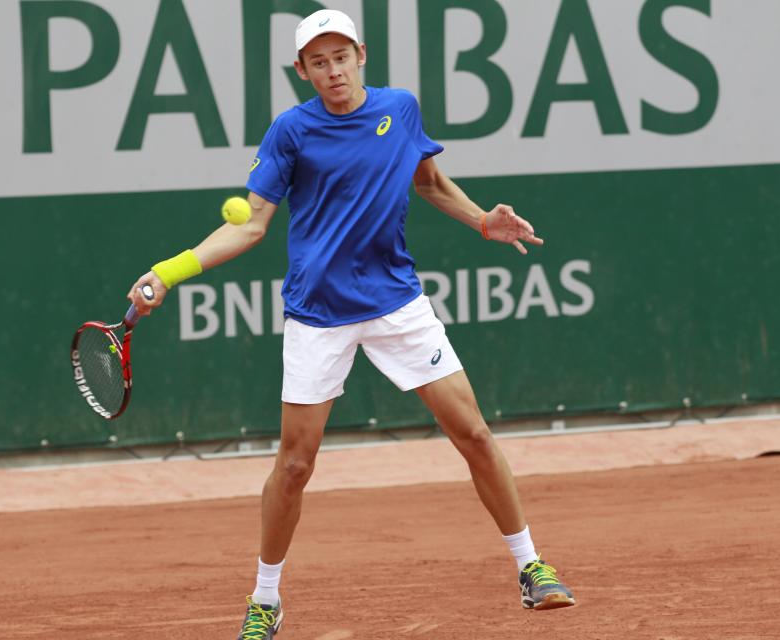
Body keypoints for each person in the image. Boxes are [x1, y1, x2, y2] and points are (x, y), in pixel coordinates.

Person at [128, 9, 575, 639]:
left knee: (473, 433)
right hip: (318, 313)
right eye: (319, 61)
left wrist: (480, 220)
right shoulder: (291, 132)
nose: (333, 70)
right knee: (294, 466)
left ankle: (531, 566)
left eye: (341, 57)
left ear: (360, 55)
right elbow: (251, 224)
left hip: (397, 303)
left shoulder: (401, 110)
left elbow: (429, 181)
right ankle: (265, 598)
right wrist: (167, 272)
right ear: (302, 70)